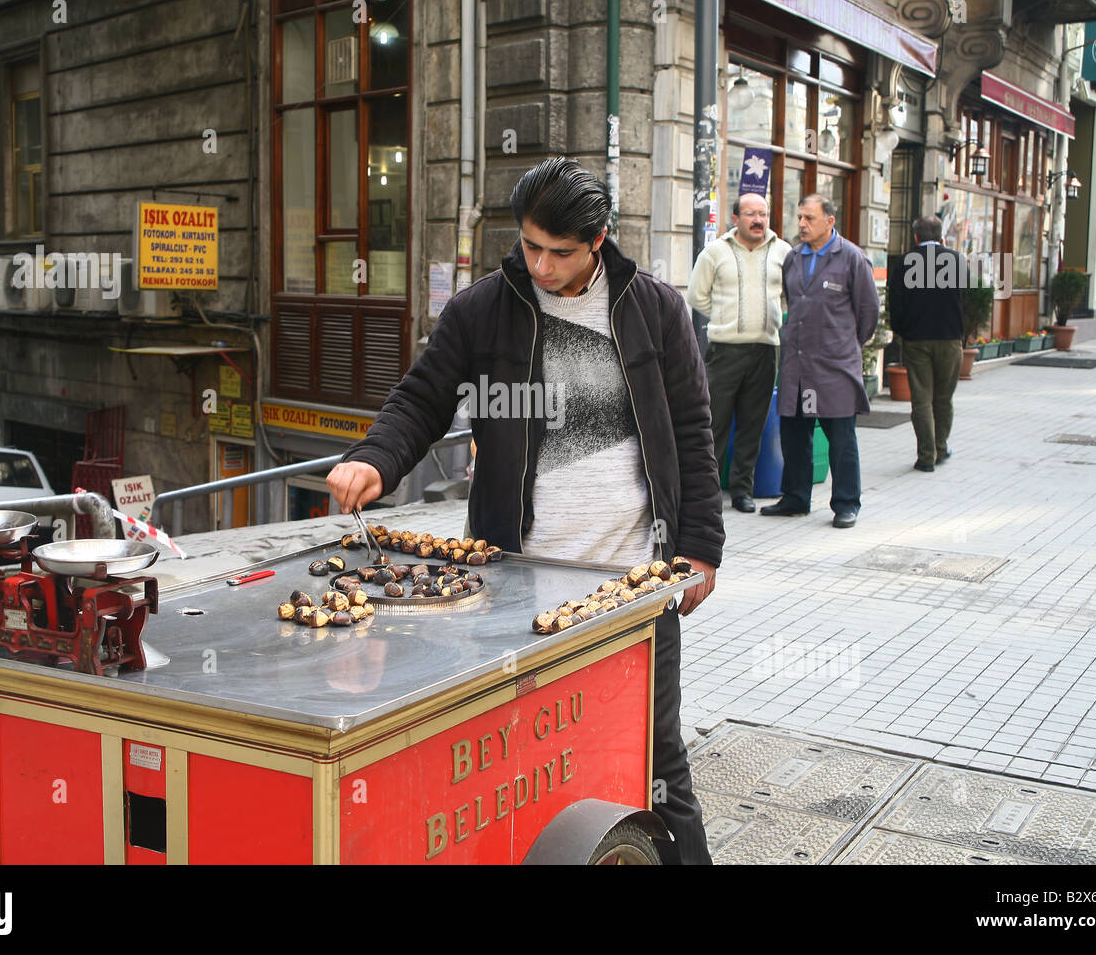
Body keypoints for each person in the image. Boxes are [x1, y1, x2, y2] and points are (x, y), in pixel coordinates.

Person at [325, 157, 725, 864]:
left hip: (632, 582)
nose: (540, 264)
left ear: (598, 239)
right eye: (529, 246)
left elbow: (692, 430)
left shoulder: (655, 308)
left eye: (559, 251)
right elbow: (422, 398)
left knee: (657, 756)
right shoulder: (483, 308)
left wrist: (701, 547)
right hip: (515, 584)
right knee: (522, 750)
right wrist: (375, 459)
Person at [761, 194, 878, 529]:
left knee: (841, 438)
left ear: (830, 221)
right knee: (794, 433)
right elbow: (793, 300)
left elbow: (868, 314)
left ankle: (846, 504)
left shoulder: (852, 259)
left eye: (809, 218)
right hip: (797, 365)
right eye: (799, 217)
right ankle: (796, 498)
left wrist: (845, 344)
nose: (801, 224)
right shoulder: (794, 258)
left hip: (834, 367)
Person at [685, 192, 790, 514]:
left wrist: (772, 317)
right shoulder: (716, 252)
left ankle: (742, 491)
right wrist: (724, 318)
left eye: (762, 214)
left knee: (752, 424)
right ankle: (708, 494)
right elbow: (696, 295)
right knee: (714, 423)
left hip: (764, 349)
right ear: (736, 219)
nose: (758, 220)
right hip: (725, 350)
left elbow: (790, 294)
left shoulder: (783, 252)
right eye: (750, 214)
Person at [887, 215, 967, 472]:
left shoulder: (904, 264)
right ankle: (941, 447)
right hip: (949, 338)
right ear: (941, 236)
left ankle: (926, 456)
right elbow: (964, 299)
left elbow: (895, 305)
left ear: (916, 237)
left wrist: (900, 332)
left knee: (921, 399)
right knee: (944, 398)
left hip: (916, 339)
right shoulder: (956, 260)